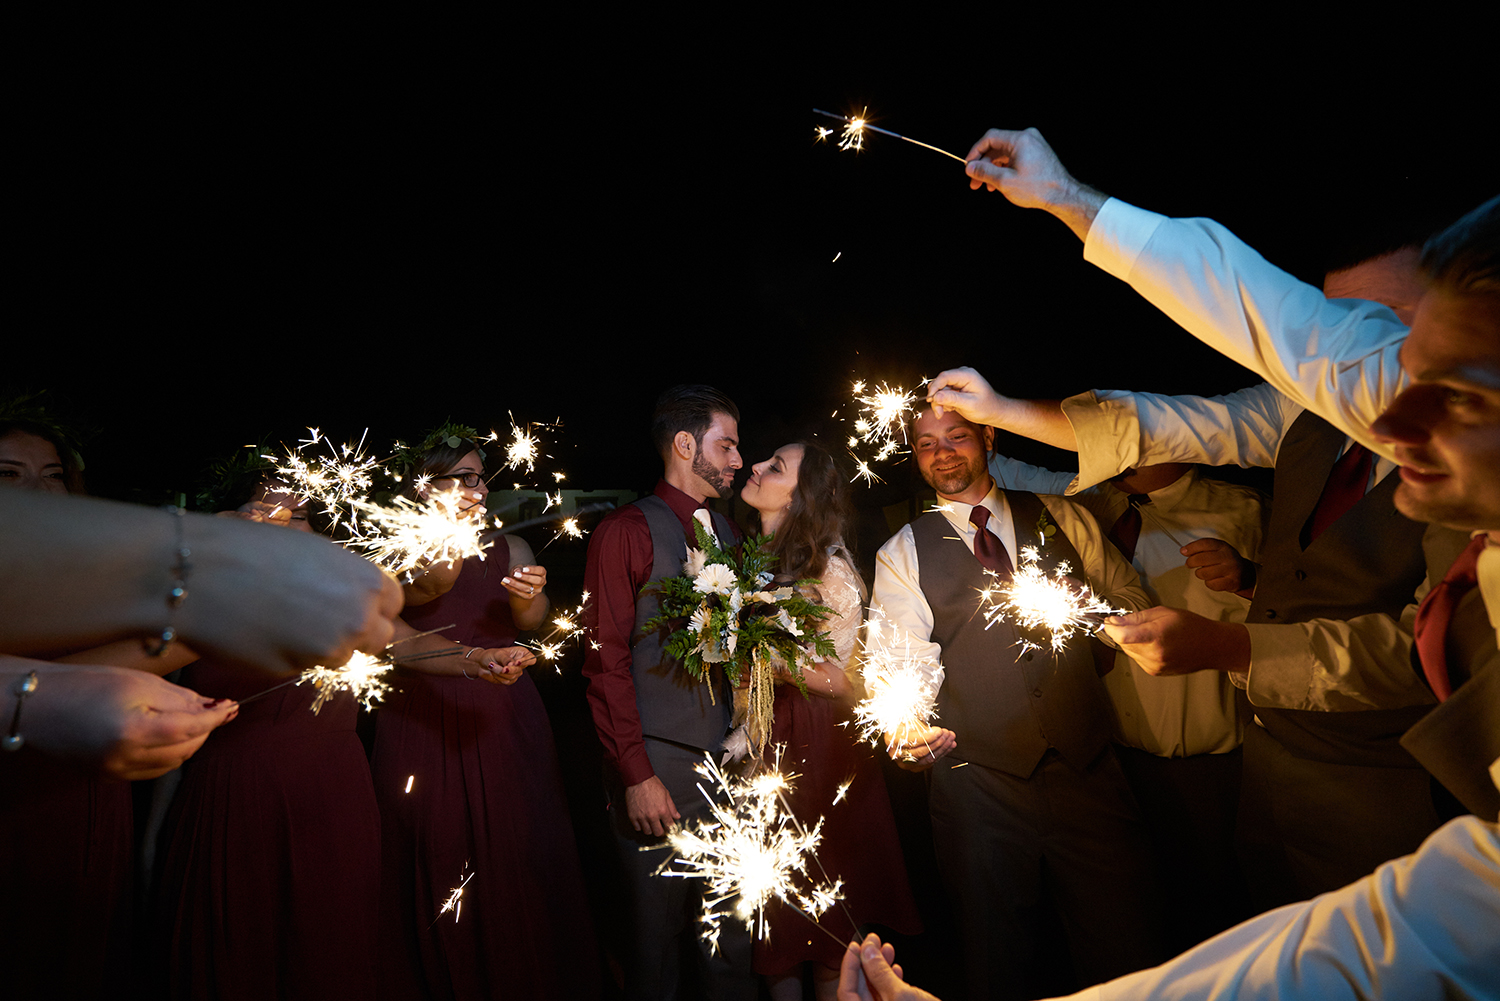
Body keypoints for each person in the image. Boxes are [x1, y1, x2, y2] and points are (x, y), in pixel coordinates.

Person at [928, 227, 1448, 906]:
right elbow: (1167, 422)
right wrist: (999, 410)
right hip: (1266, 760)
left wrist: (1230, 639)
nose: (1345, 353)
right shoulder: (1305, 410)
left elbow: (1427, 649)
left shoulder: (1468, 463)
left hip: (1385, 782)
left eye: (1375, 327)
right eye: (1334, 326)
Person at [871, 403, 1161, 1000]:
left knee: (1127, 948)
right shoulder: (902, 551)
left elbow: (1130, 595)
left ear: (989, 436)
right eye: (927, 444)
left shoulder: (1060, 515)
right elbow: (901, 659)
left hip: (1089, 770)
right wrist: (905, 725)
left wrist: (1093, 618)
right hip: (978, 788)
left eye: (956, 436)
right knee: (994, 962)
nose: (943, 451)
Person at [985, 452, 1265, 948]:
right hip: (1114, 762)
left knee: (1221, 918)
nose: (1120, 450)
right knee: (1136, 919)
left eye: (1139, 434)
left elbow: (1293, 613)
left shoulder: (1241, 510)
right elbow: (1008, 470)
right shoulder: (1097, 501)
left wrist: (1249, 578)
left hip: (1210, 767)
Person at [366, 426, 599, 1001]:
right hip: (425, 712)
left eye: (481, 478)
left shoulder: (509, 545)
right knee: (436, 847)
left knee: (517, 846)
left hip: (504, 712)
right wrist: (446, 532)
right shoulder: (391, 549)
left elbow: (532, 619)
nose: (478, 488)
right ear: (425, 486)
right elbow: (424, 591)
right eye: (463, 477)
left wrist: (529, 595)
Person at [581, 384, 756, 1001]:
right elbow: (604, 664)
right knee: (654, 951)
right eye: (726, 444)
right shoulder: (625, 530)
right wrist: (635, 773)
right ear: (686, 444)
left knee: (731, 947)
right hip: (660, 767)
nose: (739, 460)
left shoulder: (732, 538)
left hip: (730, 767)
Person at [740, 440, 922, 1001]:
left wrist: (763, 648)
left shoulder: (831, 570)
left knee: (826, 930)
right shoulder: (745, 562)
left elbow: (842, 680)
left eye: (775, 467)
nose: (755, 467)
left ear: (803, 498)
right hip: (764, 744)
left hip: (819, 752)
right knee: (776, 928)